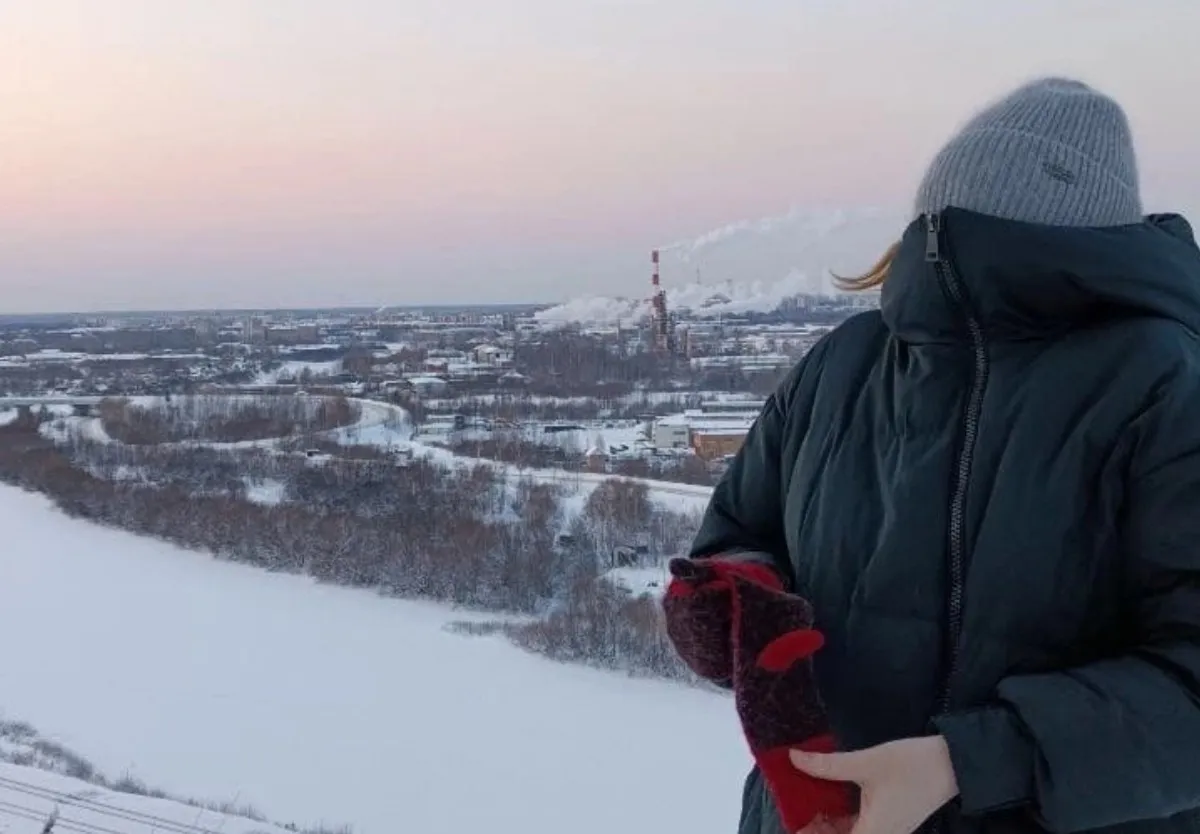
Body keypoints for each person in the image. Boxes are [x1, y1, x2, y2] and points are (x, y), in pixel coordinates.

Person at [664, 77, 1200, 834]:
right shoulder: (842, 364)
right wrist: (732, 604)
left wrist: (970, 764)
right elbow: (738, 537)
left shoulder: (1163, 382)